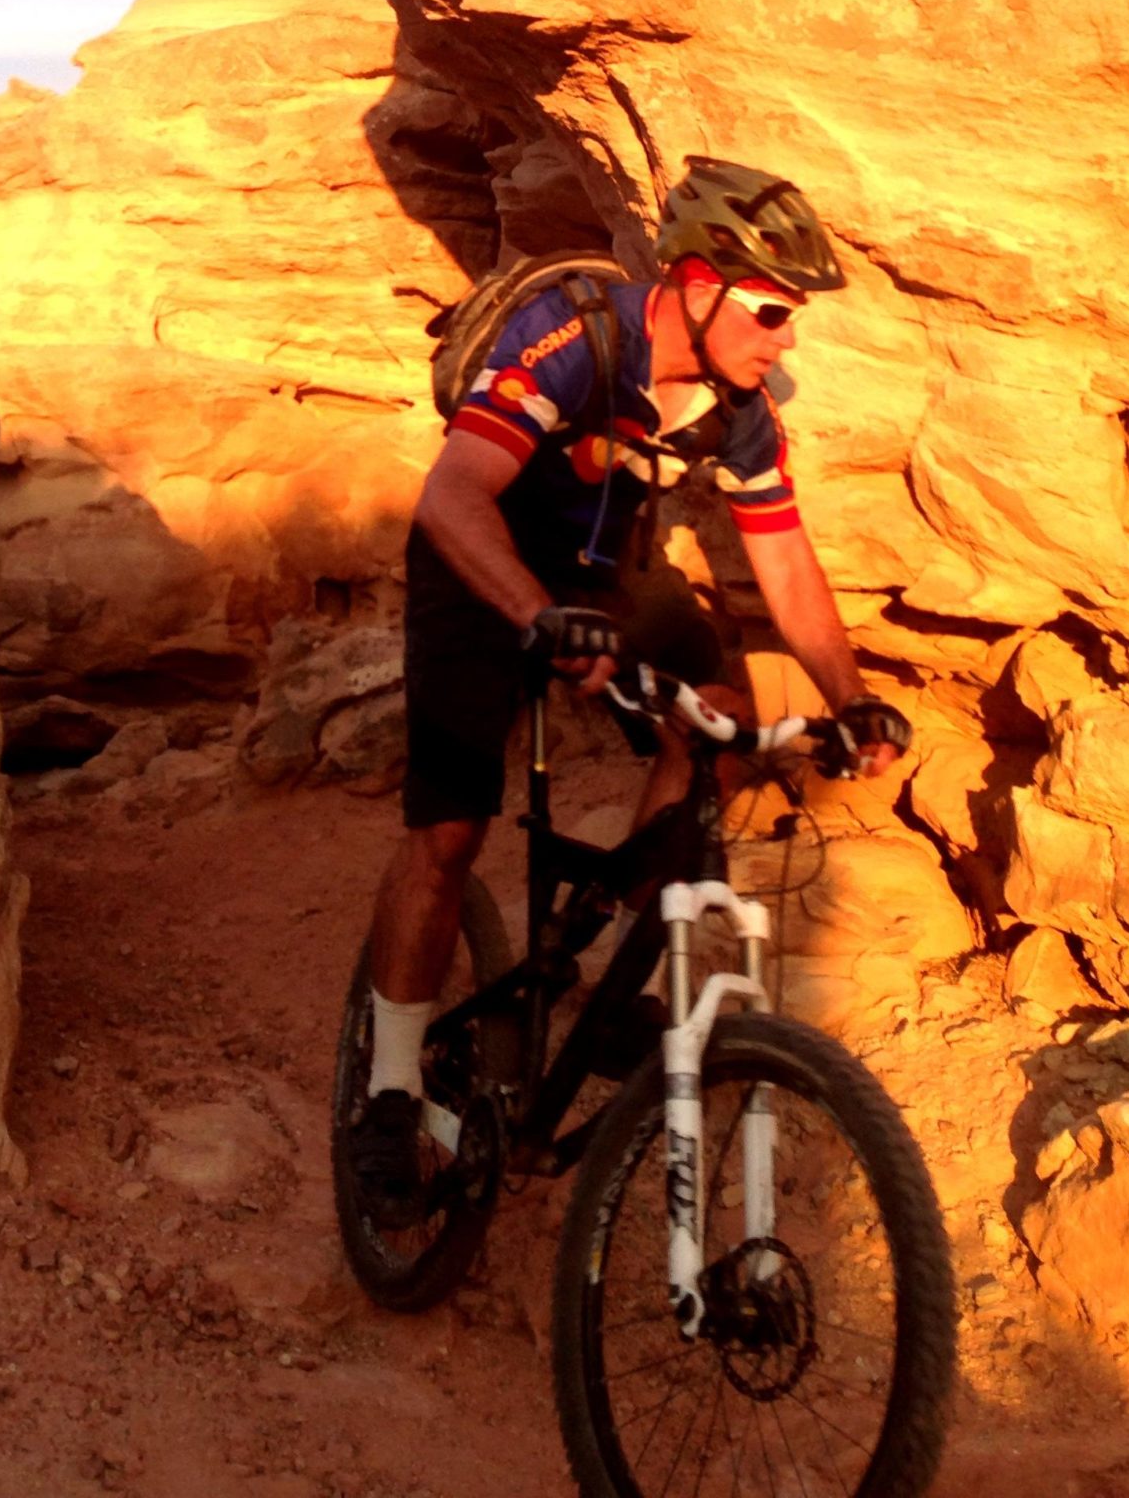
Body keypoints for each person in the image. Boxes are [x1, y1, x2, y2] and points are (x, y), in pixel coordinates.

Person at [351, 156, 912, 1221]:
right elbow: (454, 492)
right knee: (451, 831)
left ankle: (606, 960)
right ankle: (386, 1089)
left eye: (792, 318)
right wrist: (533, 615)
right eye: (772, 310)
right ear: (697, 283)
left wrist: (851, 695)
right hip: (480, 568)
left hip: (597, 583)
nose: (785, 339)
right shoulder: (573, 337)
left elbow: (785, 560)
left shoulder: (738, 408)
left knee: (729, 728)